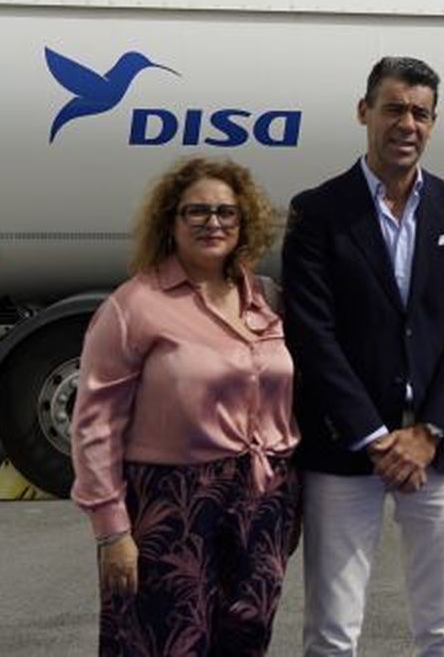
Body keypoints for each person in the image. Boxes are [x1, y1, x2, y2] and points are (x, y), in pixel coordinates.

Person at [282, 56, 444, 656]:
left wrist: (427, 431)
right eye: (394, 108)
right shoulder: (318, 211)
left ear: (433, 123)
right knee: (332, 629)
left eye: (420, 113)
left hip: (438, 449)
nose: (407, 123)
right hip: (346, 449)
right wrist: (375, 437)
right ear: (363, 112)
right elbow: (312, 335)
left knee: (442, 626)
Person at [71, 156, 299, 657]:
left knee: (247, 636)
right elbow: (94, 425)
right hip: (170, 505)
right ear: (169, 222)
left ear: (245, 224)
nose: (213, 223)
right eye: (196, 211)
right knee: (166, 641)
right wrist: (112, 532)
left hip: (261, 501)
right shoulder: (134, 306)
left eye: (226, 212)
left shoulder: (263, 298)